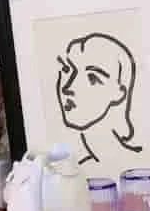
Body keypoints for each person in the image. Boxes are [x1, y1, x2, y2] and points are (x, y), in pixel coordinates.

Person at [55, 32, 143, 166]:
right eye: (67, 70)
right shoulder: (80, 169)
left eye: (92, 78)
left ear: (119, 93)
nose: (68, 86)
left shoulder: (136, 168)